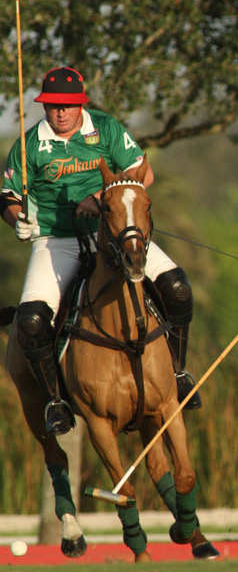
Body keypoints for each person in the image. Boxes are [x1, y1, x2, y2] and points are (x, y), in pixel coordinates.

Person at [0, 67, 201, 437]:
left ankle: (177, 373)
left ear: (81, 105)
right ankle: (56, 401)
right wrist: (18, 221)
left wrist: (99, 199)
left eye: (68, 105)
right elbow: (8, 196)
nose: (60, 113)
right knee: (30, 321)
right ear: (44, 107)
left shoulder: (106, 128)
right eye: (53, 106)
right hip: (55, 240)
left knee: (178, 289)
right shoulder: (28, 146)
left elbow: (143, 173)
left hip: (113, 231)